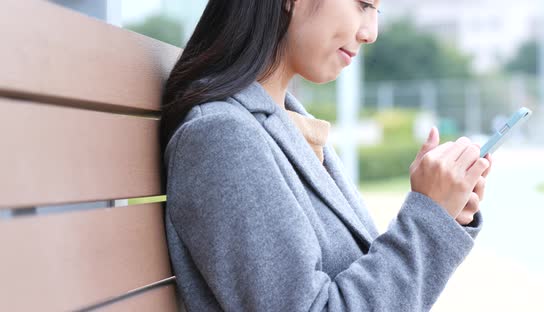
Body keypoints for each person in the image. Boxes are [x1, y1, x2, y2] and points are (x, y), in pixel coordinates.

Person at [159, 1, 493, 311]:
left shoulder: (285, 124)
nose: (370, 32)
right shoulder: (221, 138)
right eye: (362, 4)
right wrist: (427, 219)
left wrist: (442, 215)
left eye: (377, 9)